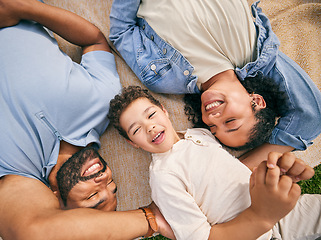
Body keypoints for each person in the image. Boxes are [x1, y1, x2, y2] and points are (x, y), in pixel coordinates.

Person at [0, 0, 174, 239]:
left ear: (60, 205)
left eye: (93, 197)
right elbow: (94, 40)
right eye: (113, 186)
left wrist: (153, 220)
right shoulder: (105, 105)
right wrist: (21, 8)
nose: (105, 180)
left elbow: (38, 232)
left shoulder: (17, 172)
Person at [109, 0, 321, 169]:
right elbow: (310, 116)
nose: (212, 117)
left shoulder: (164, 79)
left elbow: (121, 33)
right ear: (256, 100)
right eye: (230, 121)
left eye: (212, 127)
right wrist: (237, 171)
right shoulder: (255, 53)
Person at [107, 85, 320, 240]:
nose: (150, 127)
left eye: (151, 115)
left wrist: (272, 176)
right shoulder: (164, 177)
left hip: (282, 209)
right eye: (136, 130)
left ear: (164, 110)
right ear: (132, 142)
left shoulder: (197, 134)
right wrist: (261, 217)